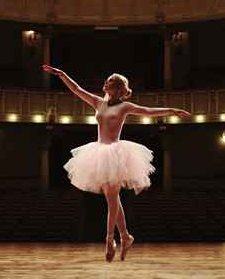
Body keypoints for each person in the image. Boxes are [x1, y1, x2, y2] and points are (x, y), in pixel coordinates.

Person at [42, 64, 191, 262]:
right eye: (107, 82)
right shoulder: (98, 102)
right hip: (98, 152)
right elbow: (77, 89)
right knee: (112, 199)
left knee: (112, 199)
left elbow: (147, 111)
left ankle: (109, 239)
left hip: (115, 153)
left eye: (111, 83)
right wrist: (62, 74)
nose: (106, 85)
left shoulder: (124, 106)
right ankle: (126, 236)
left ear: (119, 89)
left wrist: (171, 110)